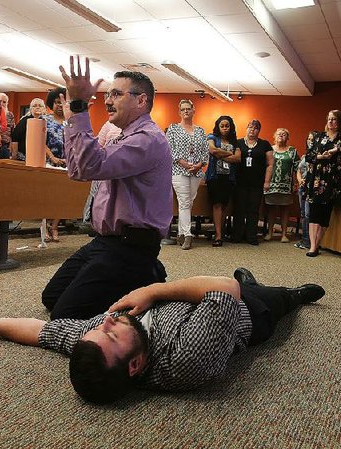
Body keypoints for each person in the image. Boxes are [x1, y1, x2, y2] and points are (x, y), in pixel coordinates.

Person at [0, 268, 325, 404]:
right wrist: (153, 292)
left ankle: (252, 279)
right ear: (137, 365)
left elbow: (39, 331)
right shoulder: (186, 362)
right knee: (275, 299)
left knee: (237, 282)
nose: (106, 324)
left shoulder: (93, 340)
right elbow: (222, 290)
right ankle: (289, 294)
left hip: (197, 298)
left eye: (97, 330)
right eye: (111, 337)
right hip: (246, 313)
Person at [40, 56, 172, 320]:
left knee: (65, 316)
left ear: (141, 101)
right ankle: (144, 275)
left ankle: (146, 275)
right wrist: (73, 119)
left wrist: (78, 109)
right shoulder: (124, 136)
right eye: (108, 94)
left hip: (130, 248)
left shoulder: (148, 140)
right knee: (51, 298)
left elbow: (89, 167)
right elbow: (78, 171)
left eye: (116, 94)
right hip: (105, 242)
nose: (107, 100)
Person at [303, 110, 341, 257]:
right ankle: (313, 246)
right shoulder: (318, 136)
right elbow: (308, 155)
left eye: (334, 119)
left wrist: (338, 150)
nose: (331, 122)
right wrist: (321, 156)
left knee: (325, 213)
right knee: (314, 212)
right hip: (317, 179)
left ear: (340, 121)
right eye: (329, 119)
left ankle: (318, 243)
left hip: (334, 180)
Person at [166, 99, 208, 250]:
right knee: (184, 202)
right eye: (183, 109)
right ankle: (188, 235)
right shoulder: (173, 129)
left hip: (196, 172)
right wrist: (183, 162)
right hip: (179, 170)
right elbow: (170, 149)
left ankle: (180, 232)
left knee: (189, 202)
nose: (186, 111)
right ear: (179, 112)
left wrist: (199, 165)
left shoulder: (200, 131)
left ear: (193, 111)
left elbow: (205, 151)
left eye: (188, 109)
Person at [231, 120, 273, 245]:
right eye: (250, 127)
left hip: (257, 183)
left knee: (253, 210)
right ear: (246, 128)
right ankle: (237, 235)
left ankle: (251, 236)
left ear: (258, 131)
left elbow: (270, 164)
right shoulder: (238, 143)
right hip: (239, 182)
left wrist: (267, 181)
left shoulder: (264, 144)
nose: (252, 130)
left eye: (255, 128)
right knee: (239, 209)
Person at [205, 116, 239, 247]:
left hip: (229, 177)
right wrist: (229, 154)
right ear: (218, 127)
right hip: (215, 176)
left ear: (231, 127)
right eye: (222, 126)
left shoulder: (234, 141)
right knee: (217, 204)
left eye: (227, 126)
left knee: (224, 205)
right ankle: (218, 236)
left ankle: (221, 231)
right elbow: (212, 150)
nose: (225, 128)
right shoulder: (212, 137)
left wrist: (220, 154)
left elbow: (238, 158)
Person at [264, 128, 299, 242]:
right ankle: (270, 233)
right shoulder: (269, 150)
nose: (281, 136)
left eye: (284, 135)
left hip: (286, 186)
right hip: (271, 185)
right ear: (274, 136)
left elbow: (296, 168)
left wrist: (295, 183)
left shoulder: (292, 151)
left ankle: (284, 234)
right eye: (279, 134)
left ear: (287, 138)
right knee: (271, 209)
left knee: (285, 210)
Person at [42, 86, 68, 242]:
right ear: (52, 103)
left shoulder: (71, 122)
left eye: (62, 102)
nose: (59, 105)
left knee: (61, 197)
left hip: (66, 163)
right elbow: (40, 142)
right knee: (47, 196)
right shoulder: (45, 120)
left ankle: (55, 227)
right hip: (48, 162)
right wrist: (51, 157)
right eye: (56, 102)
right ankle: (44, 226)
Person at [293, 132, 316, 250]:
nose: (310, 141)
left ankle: (309, 241)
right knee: (303, 214)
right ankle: (304, 239)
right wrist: (300, 179)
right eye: (309, 139)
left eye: (313, 139)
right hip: (302, 187)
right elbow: (298, 170)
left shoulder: (317, 155)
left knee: (308, 214)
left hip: (311, 188)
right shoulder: (304, 156)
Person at [0, 92, 14, 159]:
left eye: (4, 102)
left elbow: (12, 131)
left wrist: (11, 145)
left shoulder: (10, 115)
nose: (1, 104)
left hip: (6, 145)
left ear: (7, 104)